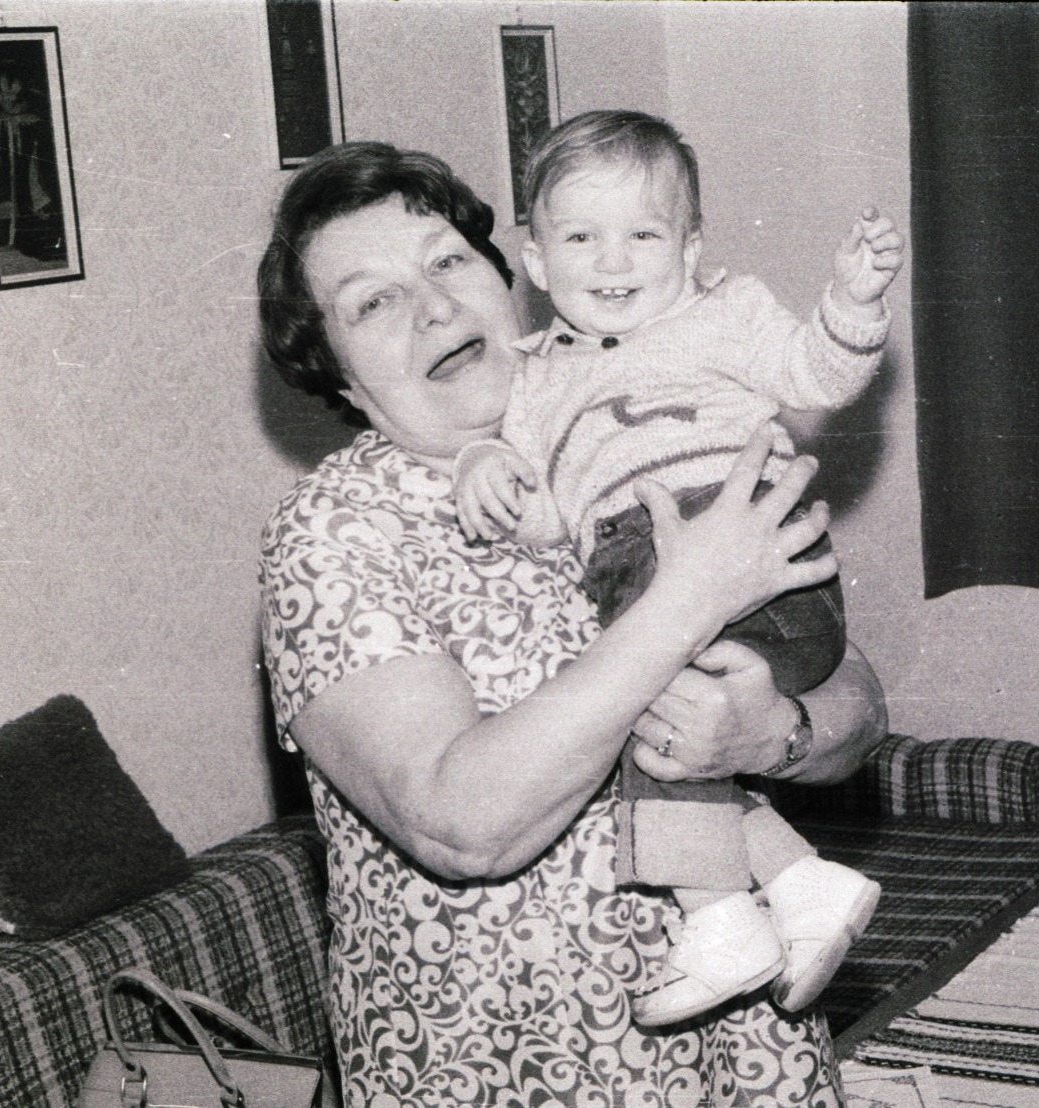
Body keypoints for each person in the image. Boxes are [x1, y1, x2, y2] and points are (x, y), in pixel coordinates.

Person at [256, 141, 889, 1107]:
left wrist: (778, 733)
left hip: (744, 1038)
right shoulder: (336, 531)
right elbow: (464, 825)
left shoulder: (614, 442)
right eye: (371, 302)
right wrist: (689, 598)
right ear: (336, 373)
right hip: (518, 1061)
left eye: (447, 263)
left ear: (515, 279)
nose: (431, 307)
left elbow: (856, 695)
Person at [451, 110, 904, 1026]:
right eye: (581, 237)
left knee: (641, 701)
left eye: (644, 235)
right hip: (631, 567)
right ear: (536, 262)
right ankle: (802, 886)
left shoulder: (722, 313)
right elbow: (551, 521)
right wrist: (481, 467)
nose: (613, 262)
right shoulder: (533, 382)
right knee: (657, 725)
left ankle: (720, 916)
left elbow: (816, 376)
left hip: (752, 554)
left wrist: (852, 305)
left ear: (692, 249)